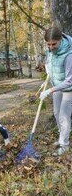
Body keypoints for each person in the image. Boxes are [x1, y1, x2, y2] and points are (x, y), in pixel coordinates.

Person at [40, 26, 72, 156]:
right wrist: (48, 75)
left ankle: (65, 145)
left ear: (60, 40)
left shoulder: (69, 54)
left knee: (64, 116)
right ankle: (61, 138)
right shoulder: (50, 50)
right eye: (49, 44)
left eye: (54, 44)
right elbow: (50, 62)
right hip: (56, 85)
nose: (51, 47)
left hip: (68, 88)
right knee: (56, 113)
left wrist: (50, 90)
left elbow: (70, 80)